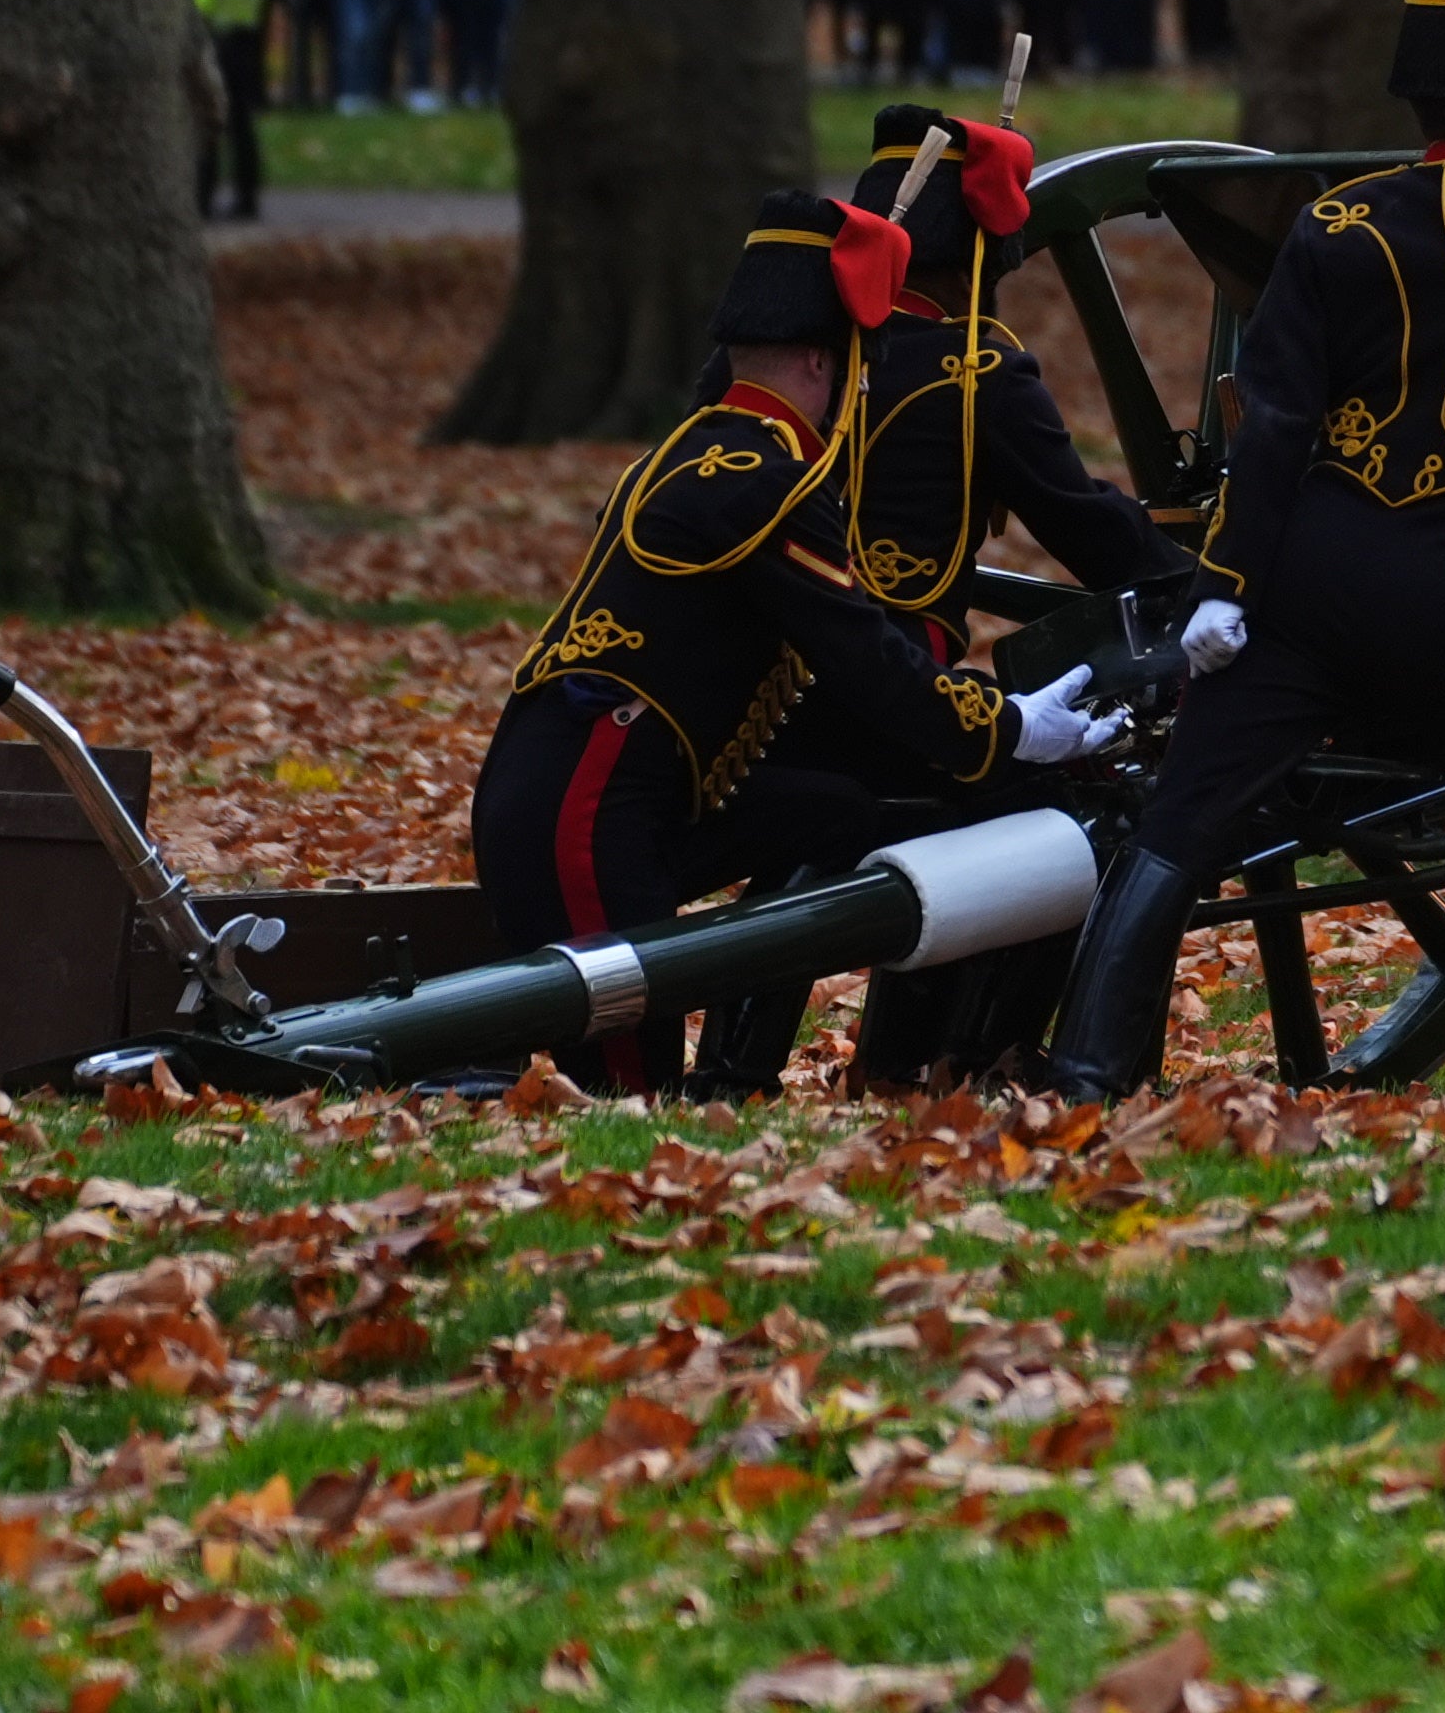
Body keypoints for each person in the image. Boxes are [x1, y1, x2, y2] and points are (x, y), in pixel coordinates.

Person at [1037, 0, 1445, 1100]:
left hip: (1301, 594)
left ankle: (1089, 1071)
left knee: (1177, 826)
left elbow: (1271, 438)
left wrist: (1224, 592)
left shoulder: (1337, 226)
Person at [465, 189, 1112, 1093]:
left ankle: (774, 1049)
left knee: (833, 813)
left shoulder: (701, 446)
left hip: (611, 791)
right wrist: (1008, 729)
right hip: (588, 806)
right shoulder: (768, 482)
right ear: (823, 359)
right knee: (621, 1099)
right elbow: (869, 663)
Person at [811, 104, 1196, 1088]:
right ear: (974, 250)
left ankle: (897, 1061)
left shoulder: (808, 355)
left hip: (785, 693)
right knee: (1075, 813)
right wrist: (1209, 584)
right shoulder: (975, 366)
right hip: (901, 703)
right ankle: (971, 1058)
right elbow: (1089, 528)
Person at [185, 0, 270, 222]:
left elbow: (196, 5)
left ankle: (202, 200)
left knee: (207, 126)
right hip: (247, 47)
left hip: (216, 46)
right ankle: (248, 198)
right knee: (243, 127)